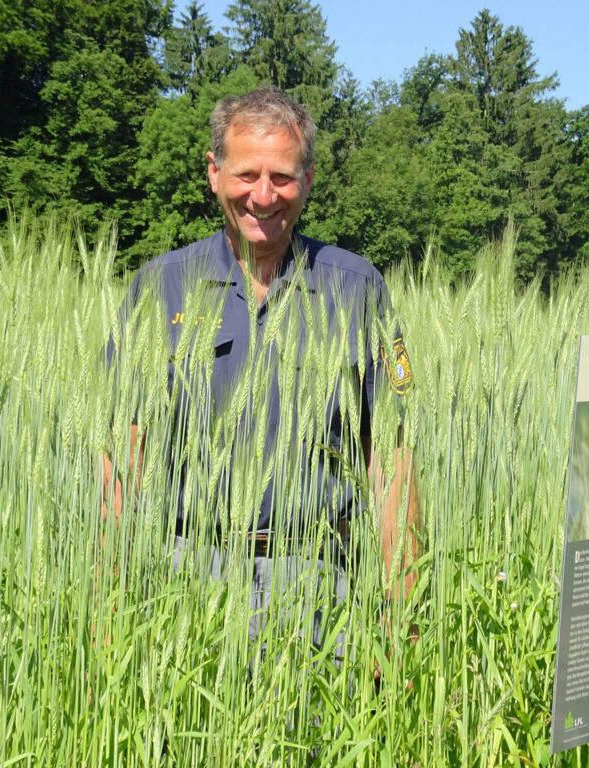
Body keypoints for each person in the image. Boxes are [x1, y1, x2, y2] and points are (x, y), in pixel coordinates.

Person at [103, 85, 418, 658]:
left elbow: (393, 462)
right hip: (186, 574)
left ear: (310, 179)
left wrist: (405, 616)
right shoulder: (161, 286)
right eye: (247, 175)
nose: (264, 196)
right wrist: (108, 607)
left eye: (283, 177)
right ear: (214, 173)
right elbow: (122, 459)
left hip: (322, 583)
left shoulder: (358, 288)